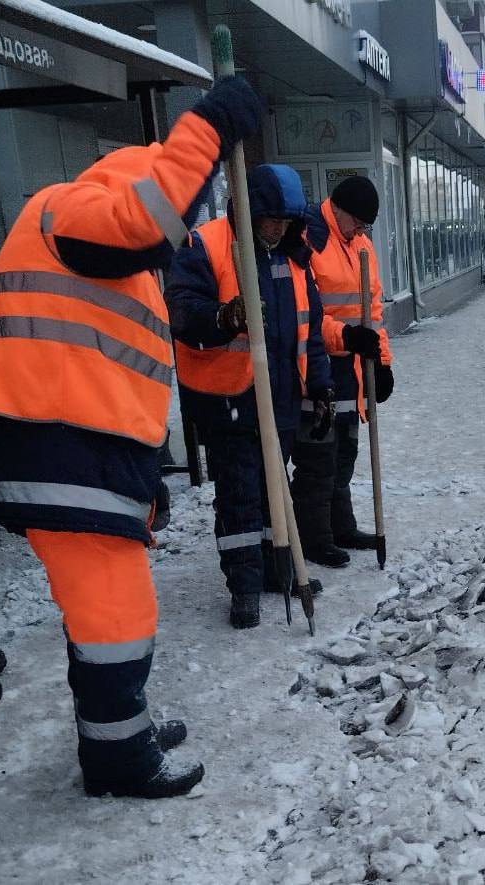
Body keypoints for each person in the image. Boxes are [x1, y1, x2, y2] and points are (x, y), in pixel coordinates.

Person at [0, 75, 262, 798]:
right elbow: (151, 217)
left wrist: (146, 481)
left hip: (86, 453)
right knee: (117, 613)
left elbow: (114, 377)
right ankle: (119, 758)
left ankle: (121, 725)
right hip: (62, 450)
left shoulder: (118, 268)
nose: (179, 226)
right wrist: (209, 127)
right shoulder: (72, 209)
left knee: (104, 610)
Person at [166, 164, 332, 630]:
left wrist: (318, 386)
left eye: (286, 218)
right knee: (240, 496)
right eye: (269, 217)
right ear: (250, 210)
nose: (277, 227)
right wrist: (223, 318)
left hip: (278, 398)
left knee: (274, 492)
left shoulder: (294, 258)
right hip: (228, 399)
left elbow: (309, 331)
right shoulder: (207, 246)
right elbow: (181, 312)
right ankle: (243, 587)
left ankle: (279, 571)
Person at [291, 176, 393, 566]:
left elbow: (375, 312)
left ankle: (341, 526)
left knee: (345, 452)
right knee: (319, 456)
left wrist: (382, 362)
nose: (362, 231)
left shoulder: (361, 245)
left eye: (366, 226)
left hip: (353, 368)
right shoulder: (308, 241)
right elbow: (304, 317)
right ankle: (315, 537)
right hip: (317, 365)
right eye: (358, 223)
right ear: (338, 210)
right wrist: (347, 336)